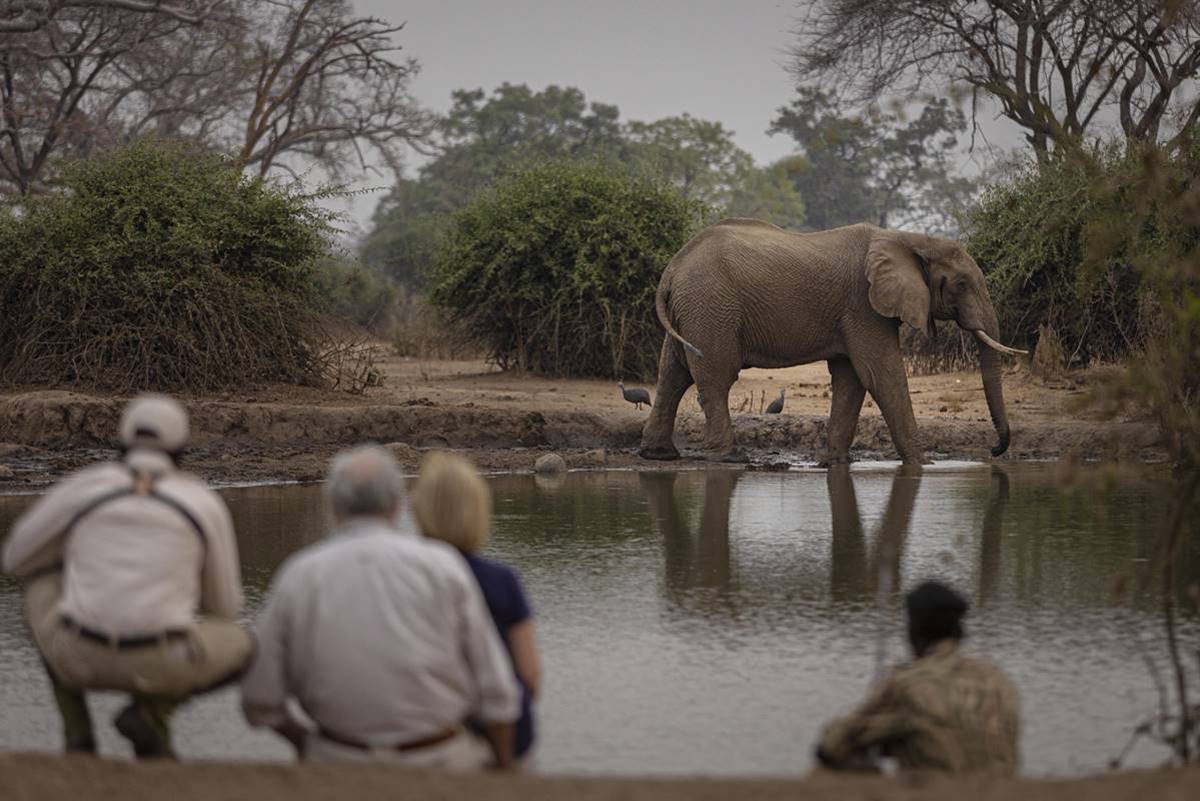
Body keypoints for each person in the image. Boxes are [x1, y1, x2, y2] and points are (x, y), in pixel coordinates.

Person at [240, 444, 520, 770]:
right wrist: (505, 769)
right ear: (398, 504)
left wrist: (304, 742)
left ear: (334, 506)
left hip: (337, 759)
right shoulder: (443, 566)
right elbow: (498, 694)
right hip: (439, 759)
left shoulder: (300, 574)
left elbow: (259, 699)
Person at [2, 394, 251, 759]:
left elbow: (15, 559)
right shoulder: (201, 501)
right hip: (161, 660)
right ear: (181, 447)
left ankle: (79, 738)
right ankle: (151, 716)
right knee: (241, 643)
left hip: (79, 655)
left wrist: (69, 559)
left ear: (121, 441)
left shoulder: (85, 487)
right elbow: (225, 608)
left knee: (41, 586)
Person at [411, 451, 541, 759]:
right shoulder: (501, 580)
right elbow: (530, 678)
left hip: (425, 733)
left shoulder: (406, 580)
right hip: (496, 736)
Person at [816, 580, 1019, 774]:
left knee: (828, 770)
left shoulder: (907, 682)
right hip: (1001, 791)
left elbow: (832, 746)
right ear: (959, 632)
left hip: (935, 792)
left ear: (914, 631)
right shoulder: (999, 680)